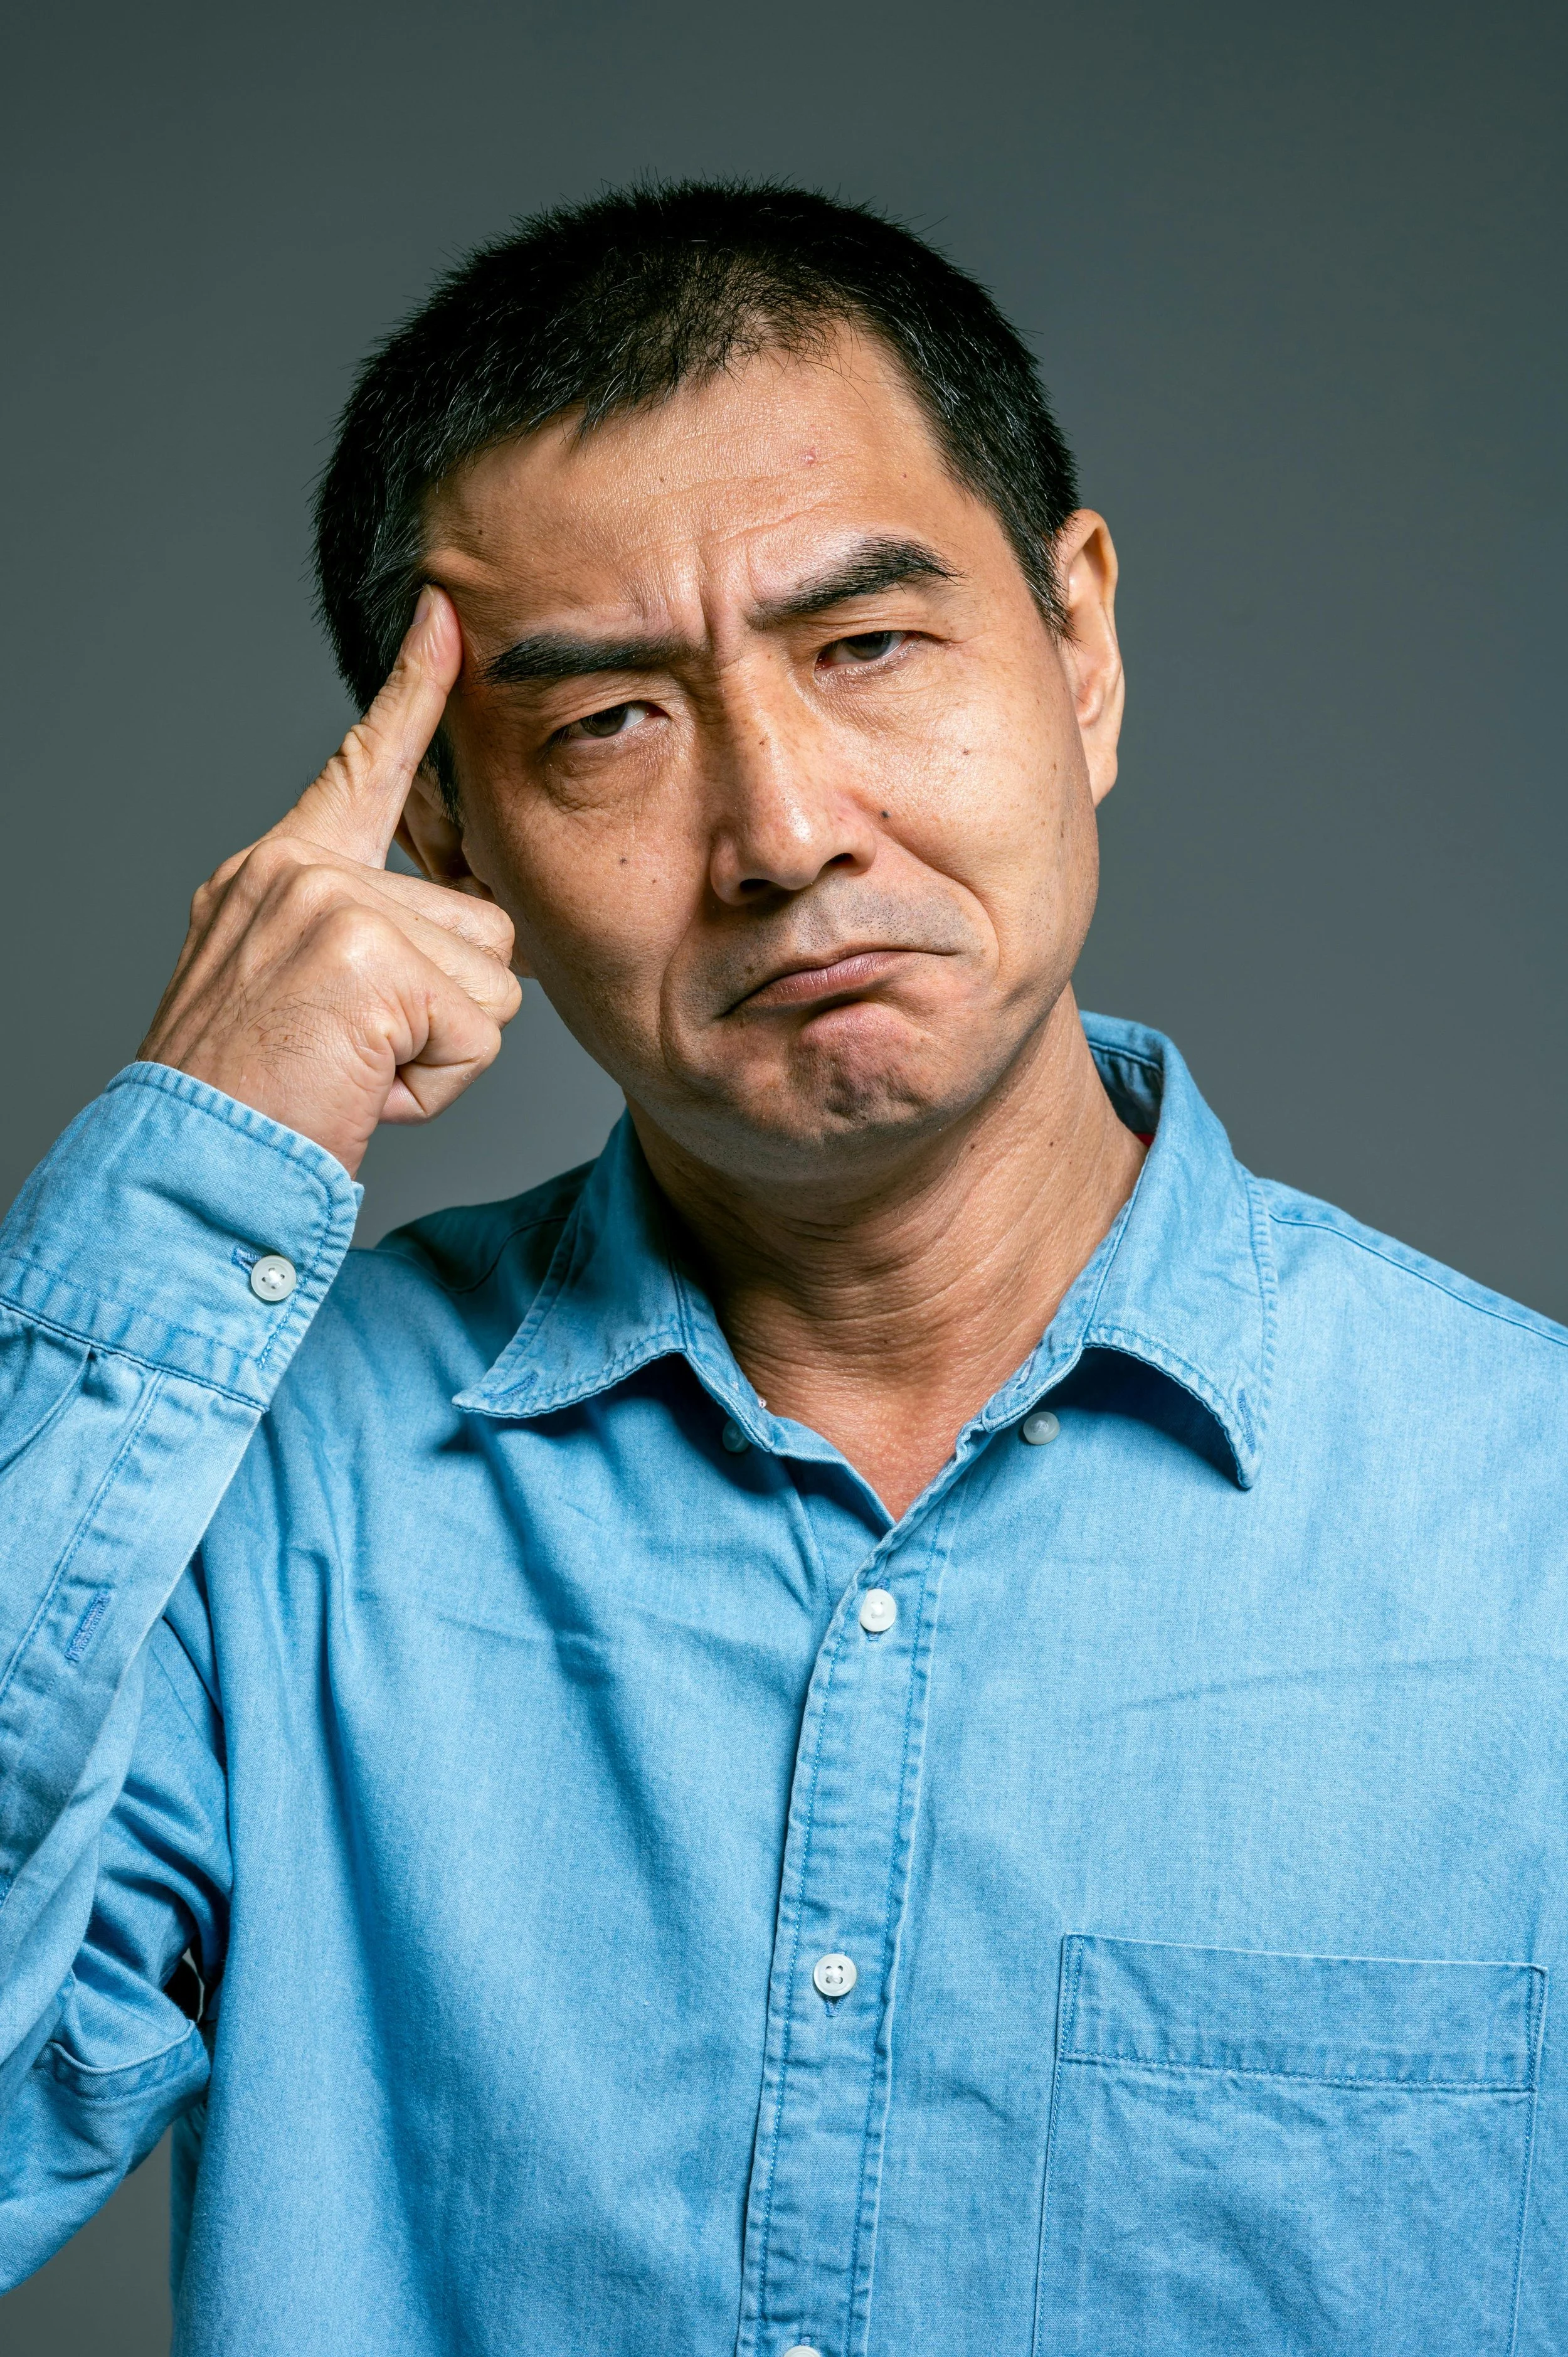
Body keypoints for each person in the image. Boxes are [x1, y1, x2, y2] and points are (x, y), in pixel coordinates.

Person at [1, 179, 1564, 2357]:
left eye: (868, 646)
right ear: (444, 831)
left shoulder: (1531, 1522)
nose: (782, 829)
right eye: (607, 724)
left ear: (1080, 644)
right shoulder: (253, 1500)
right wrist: (189, 1168)